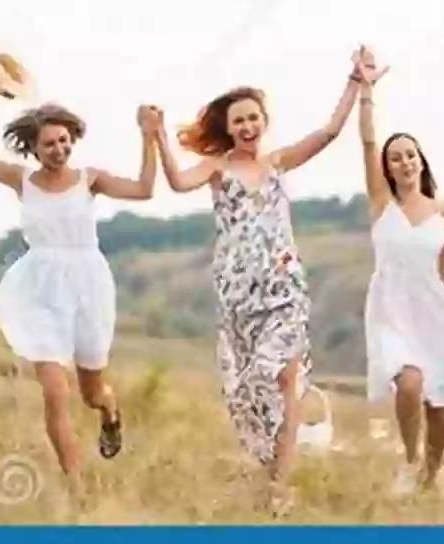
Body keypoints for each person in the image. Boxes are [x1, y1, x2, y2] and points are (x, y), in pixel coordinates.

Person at [150, 48, 368, 514]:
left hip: (284, 288)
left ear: (263, 121)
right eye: (238, 121)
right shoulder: (216, 170)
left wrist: (355, 82)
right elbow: (175, 182)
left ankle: (278, 488)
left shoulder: (278, 162)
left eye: (253, 118)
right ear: (227, 129)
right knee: (250, 386)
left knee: (286, 378)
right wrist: (155, 138)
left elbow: (329, 131)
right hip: (238, 293)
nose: (247, 127)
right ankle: (271, 466)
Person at [0, 69, 159, 503]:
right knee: (53, 390)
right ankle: (78, 489)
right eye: (49, 143)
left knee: (91, 393)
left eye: (65, 141)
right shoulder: (20, 180)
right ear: (33, 147)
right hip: (39, 290)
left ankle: (111, 411)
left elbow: (144, 190)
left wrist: (149, 137)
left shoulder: (90, 180)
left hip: (88, 287)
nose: (60, 149)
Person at [355, 51, 444, 495]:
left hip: (433, 310)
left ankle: (430, 479)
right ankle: (411, 461)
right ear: (388, 167)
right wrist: (366, 93)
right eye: (396, 158)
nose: (404, 162)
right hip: (391, 307)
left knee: (441, 409)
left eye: (410, 155)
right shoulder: (382, 203)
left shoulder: (443, 211)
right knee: (409, 382)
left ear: (421, 161)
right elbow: (367, 143)